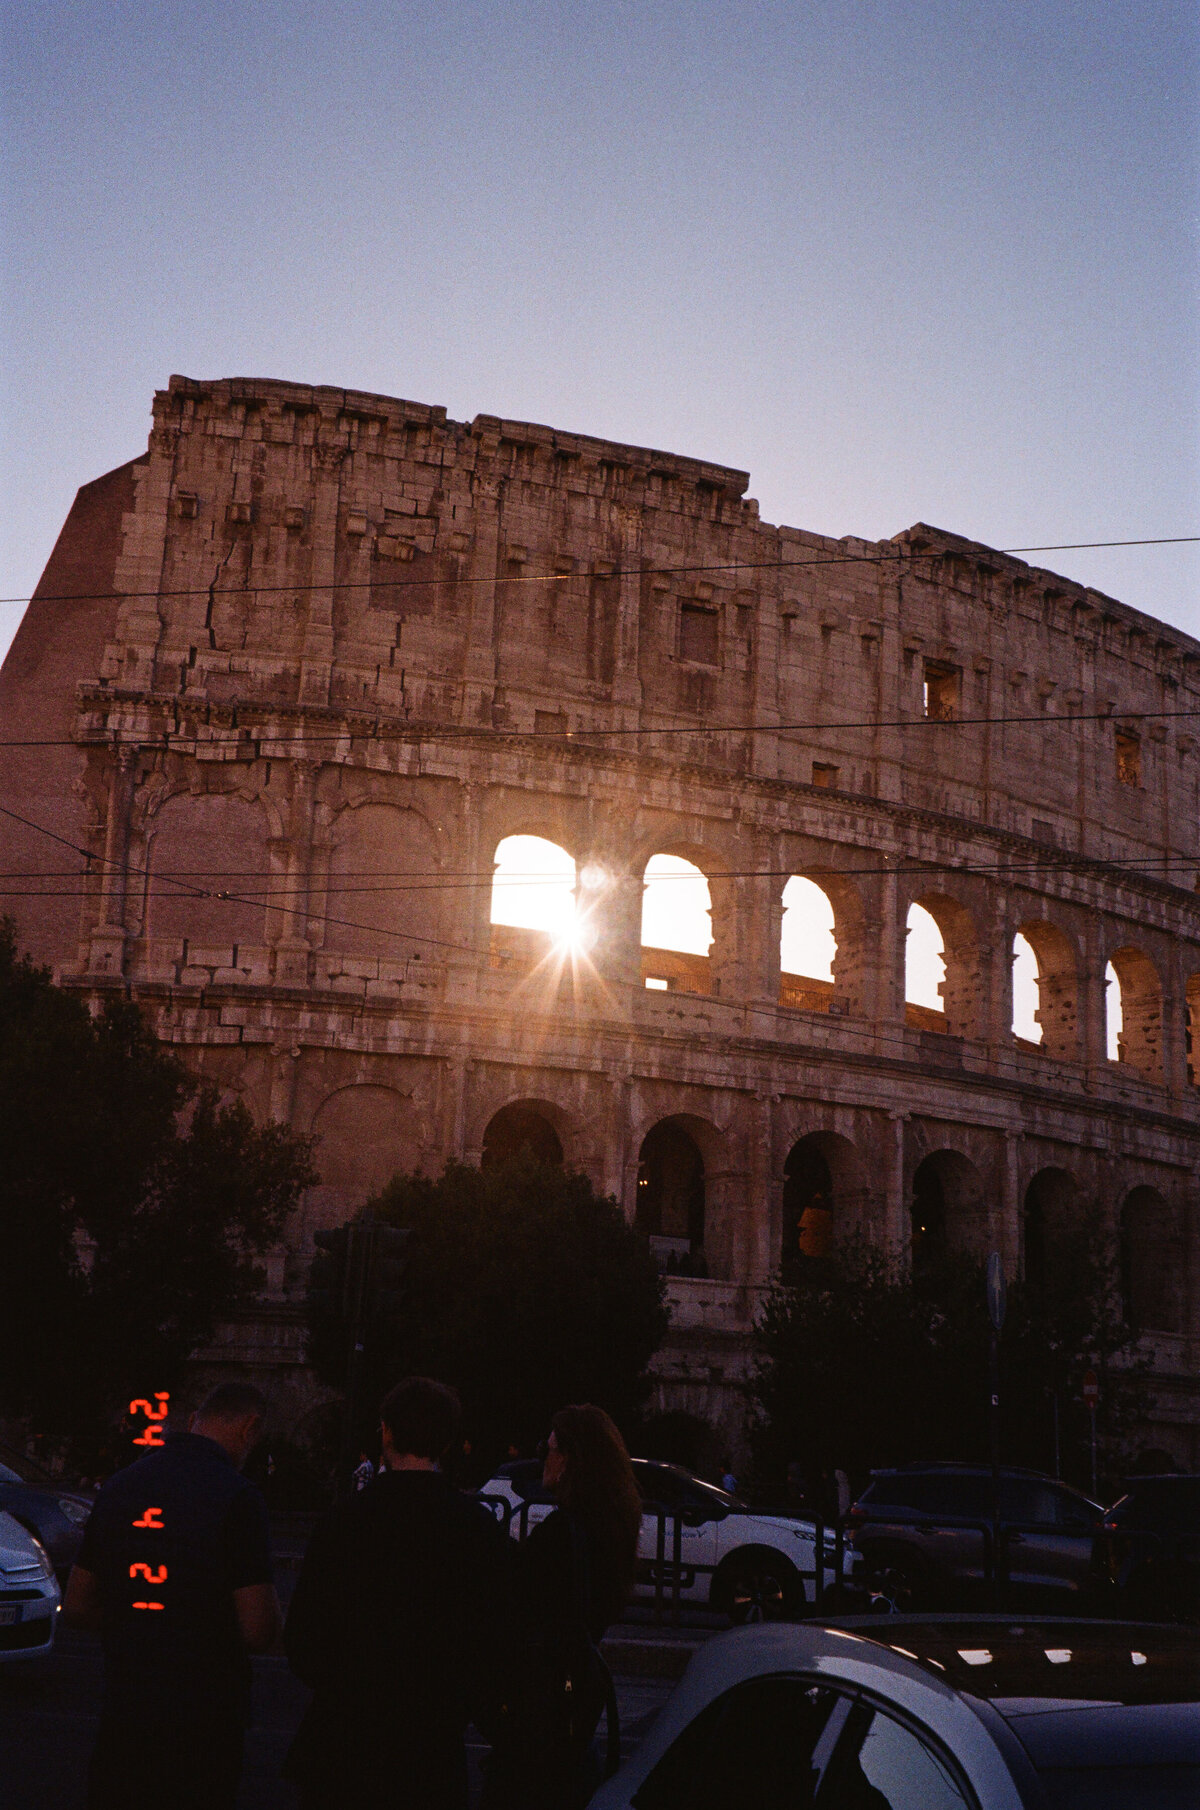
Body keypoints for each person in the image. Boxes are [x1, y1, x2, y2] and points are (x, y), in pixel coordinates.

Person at [284, 1376, 511, 1808]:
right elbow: (492, 1645)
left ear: (386, 1431)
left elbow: (303, 1641)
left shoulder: (344, 1521)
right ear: (446, 1442)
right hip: (430, 1753)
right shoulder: (475, 1529)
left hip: (343, 1746)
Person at [63, 1381, 280, 1810]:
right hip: (205, 1718)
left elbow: (77, 1605)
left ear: (194, 1421)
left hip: (125, 1708)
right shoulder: (238, 1497)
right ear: (250, 1427)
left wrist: (137, 1619)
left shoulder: (121, 1487)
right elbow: (257, 1629)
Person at [481, 1403, 641, 1810]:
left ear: (570, 1458)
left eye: (548, 1448)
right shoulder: (611, 1527)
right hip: (574, 1722)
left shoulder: (562, 1533)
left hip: (538, 1725)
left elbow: (520, 1609)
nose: (542, 1458)